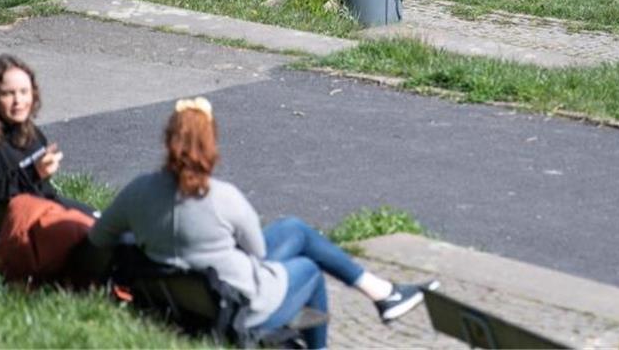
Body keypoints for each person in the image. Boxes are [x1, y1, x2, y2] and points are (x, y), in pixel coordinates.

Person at [88, 97, 438, 349]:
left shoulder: (138, 193)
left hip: (184, 293)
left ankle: (383, 293)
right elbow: (257, 252)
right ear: (211, 146)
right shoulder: (224, 198)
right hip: (237, 304)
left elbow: (99, 238)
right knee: (309, 269)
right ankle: (374, 300)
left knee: (295, 229)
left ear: (167, 141)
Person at [0, 55, 96, 219]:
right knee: (104, 232)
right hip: (24, 225)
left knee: (103, 221)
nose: (18, 100)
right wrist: (33, 172)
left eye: (24, 92)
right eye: (8, 94)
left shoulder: (23, 129)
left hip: (44, 209)